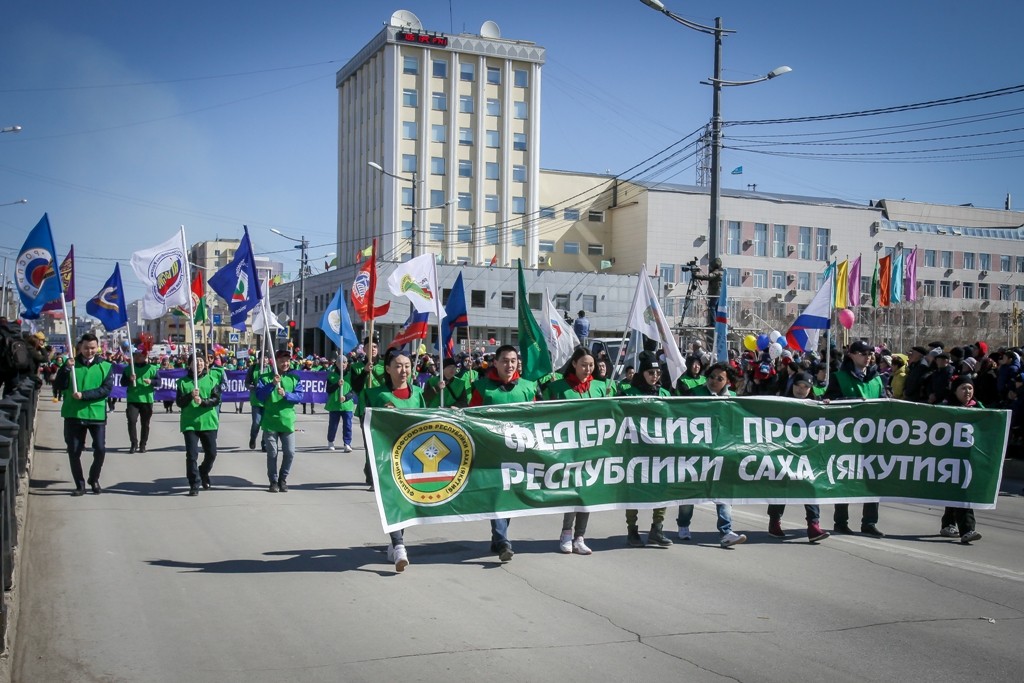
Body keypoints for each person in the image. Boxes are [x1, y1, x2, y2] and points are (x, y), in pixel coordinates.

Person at [469, 344, 539, 562]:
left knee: (508, 495)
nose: (509, 365)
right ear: (495, 363)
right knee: (498, 494)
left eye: (513, 361)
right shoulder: (482, 388)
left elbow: (537, 417)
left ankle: (498, 537)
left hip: (518, 451)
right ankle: (503, 541)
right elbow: (471, 417)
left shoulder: (528, 387)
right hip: (491, 451)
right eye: (505, 361)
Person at [543, 347, 613, 555]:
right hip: (568, 448)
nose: (588, 369)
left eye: (591, 365)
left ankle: (580, 536)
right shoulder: (558, 387)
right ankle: (566, 533)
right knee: (573, 491)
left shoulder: (602, 387)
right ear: (573, 364)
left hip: (592, 448)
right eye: (583, 364)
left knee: (587, 492)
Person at [676, 363, 749, 547]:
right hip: (695, 452)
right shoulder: (695, 393)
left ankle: (726, 532)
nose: (714, 381)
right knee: (690, 492)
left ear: (727, 382)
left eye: (720, 378)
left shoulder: (733, 398)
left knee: (723, 492)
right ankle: (683, 524)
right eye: (712, 376)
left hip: (721, 453)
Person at [367, 349, 427, 571]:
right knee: (393, 500)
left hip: (413, 458)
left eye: (408, 366)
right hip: (387, 458)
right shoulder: (377, 395)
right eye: (399, 366)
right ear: (388, 369)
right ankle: (399, 546)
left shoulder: (419, 393)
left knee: (406, 501)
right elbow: (367, 426)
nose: (404, 371)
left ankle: (395, 542)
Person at [826, 339, 886, 537]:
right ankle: (841, 521)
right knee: (844, 478)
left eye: (870, 354)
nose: (868, 357)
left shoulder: (877, 379)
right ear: (851, 355)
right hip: (846, 437)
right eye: (863, 353)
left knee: (873, 480)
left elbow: (886, 403)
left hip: (872, 438)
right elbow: (831, 401)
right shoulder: (839, 377)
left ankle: (869, 522)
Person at [766, 372, 830, 542]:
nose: (801, 390)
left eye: (806, 387)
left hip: (807, 455)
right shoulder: (781, 403)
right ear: (792, 386)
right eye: (798, 386)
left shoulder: (817, 405)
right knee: (781, 488)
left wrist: (828, 408)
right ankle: (774, 521)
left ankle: (813, 526)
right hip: (784, 453)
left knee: (810, 487)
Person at [619, 354, 674, 547]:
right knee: (633, 491)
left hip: (660, 451)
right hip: (635, 450)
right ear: (642, 373)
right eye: (651, 372)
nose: (655, 376)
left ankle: (657, 529)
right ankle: (632, 530)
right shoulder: (628, 394)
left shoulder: (665, 394)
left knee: (662, 490)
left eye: (658, 372)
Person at [53, 333, 114, 495]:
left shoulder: (105, 366)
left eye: (93, 348)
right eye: (86, 348)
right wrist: (65, 369)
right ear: (80, 347)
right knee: (74, 450)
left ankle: (93, 478)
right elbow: (59, 385)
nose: (89, 351)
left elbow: (106, 390)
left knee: (100, 449)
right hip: (74, 413)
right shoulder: (70, 365)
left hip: (96, 415)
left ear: (97, 348)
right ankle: (80, 484)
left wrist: (84, 395)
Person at [937, 377, 983, 544]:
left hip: (969, 459)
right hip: (948, 458)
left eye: (970, 388)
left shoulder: (979, 408)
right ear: (955, 391)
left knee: (957, 491)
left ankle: (948, 524)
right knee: (961, 492)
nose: (967, 392)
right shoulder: (945, 408)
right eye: (963, 388)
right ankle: (967, 529)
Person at [257, 350, 304, 492]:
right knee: (272, 453)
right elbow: (259, 395)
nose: (285, 363)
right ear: (275, 362)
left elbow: (299, 396)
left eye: (287, 360)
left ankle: (282, 478)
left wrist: (286, 394)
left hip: (287, 422)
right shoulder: (264, 377)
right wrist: (272, 384)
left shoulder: (294, 378)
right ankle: (273, 481)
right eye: (282, 361)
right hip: (270, 421)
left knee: (290, 452)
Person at [175, 354, 221, 496]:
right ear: (189, 365)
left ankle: (203, 472)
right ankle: (194, 483)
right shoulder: (182, 382)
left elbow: (216, 399)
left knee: (211, 453)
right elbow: (179, 402)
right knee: (192, 454)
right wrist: (190, 395)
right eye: (195, 361)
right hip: (190, 423)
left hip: (208, 422)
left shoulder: (212, 380)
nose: (199, 364)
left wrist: (203, 402)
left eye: (201, 361)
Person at [124, 341, 158, 453]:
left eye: (141, 355)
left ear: (145, 356)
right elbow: (122, 382)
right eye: (137, 355)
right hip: (133, 400)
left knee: (145, 423)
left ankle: (143, 444)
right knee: (132, 420)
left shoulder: (151, 368)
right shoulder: (129, 369)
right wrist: (129, 379)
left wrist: (151, 381)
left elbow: (159, 382)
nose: (139, 357)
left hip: (147, 400)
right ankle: (134, 443)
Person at [326, 355, 355, 452]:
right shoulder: (331, 375)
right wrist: (337, 384)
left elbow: (353, 391)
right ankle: (330, 441)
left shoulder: (350, 376)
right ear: (336, 364)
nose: (342, 364)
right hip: (334, 405)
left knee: (347, 425)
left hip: (347, 406)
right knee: (333, 425)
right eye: (340, 362)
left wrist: (346, 397)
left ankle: (347, 444)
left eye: (344, 362)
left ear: (347, 364)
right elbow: (328, 390)